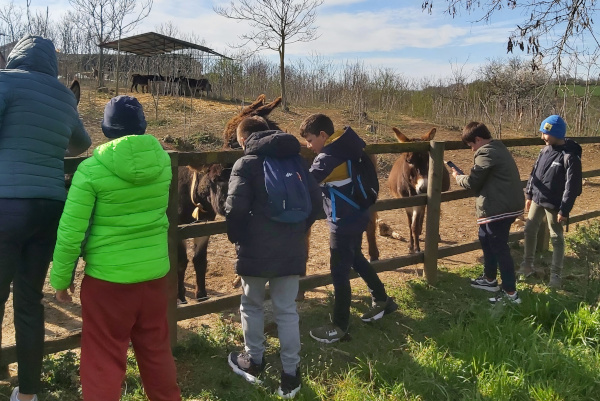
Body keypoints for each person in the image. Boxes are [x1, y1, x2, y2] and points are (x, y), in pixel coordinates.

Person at [50, 96, 181, 401]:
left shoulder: (91, 170)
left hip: (108, 282)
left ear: (106, 129)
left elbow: (70, 233)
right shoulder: (163, 163)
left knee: (103, 362)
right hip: (153, 279)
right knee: (157, 353)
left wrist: (60, 281)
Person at [0, 35, 91, 401]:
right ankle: (29, 393)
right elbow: (81, 143)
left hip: (6, 205)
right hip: (49, 207)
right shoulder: (63, 96)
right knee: (29, 301)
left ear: (15, 56)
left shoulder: (5, 80)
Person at [225, 116, 322, 399]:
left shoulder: (246, 163)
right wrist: (295, 232)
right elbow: (316, 203)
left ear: (244, 140)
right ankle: (291, 376)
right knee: (287, 310)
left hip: (255, 249)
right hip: (291, 248)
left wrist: (238, 238)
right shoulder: (297, 160)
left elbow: (235, 209)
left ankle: (253, 361)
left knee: (252, 305)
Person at [299, 113, 397, 343]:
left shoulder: (327, 158)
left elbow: (305, 186)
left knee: (339, 272)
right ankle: (382, 299)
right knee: (356, 258)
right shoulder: (348, 145)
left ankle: (339, 326)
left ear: (323, 135)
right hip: (359, 214)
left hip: (342, 221)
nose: (308, 145)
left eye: (310, 139)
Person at [452, 122, 524, 304]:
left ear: (478, 139)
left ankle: (510, 293)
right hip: (506, 204)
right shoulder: (498, 147)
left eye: (471, 145)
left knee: (499, 247)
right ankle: (490, 279)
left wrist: (458, 177)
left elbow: (473, 182)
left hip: (499, 207)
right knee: (485, 236)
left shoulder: (486, 152)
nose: (472, 150)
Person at [517, 115, 582, 289]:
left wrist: (564, 209)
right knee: (530, 229)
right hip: (538, 198)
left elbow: (572, 186)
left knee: (556, 237)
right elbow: (534, 174)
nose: (543, 137)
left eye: (546, 133)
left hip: (555, 204)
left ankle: (556, 274)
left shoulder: (570, 156)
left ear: (557, 133)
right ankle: (527, 264)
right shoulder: (544, 151)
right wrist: (529, 194)